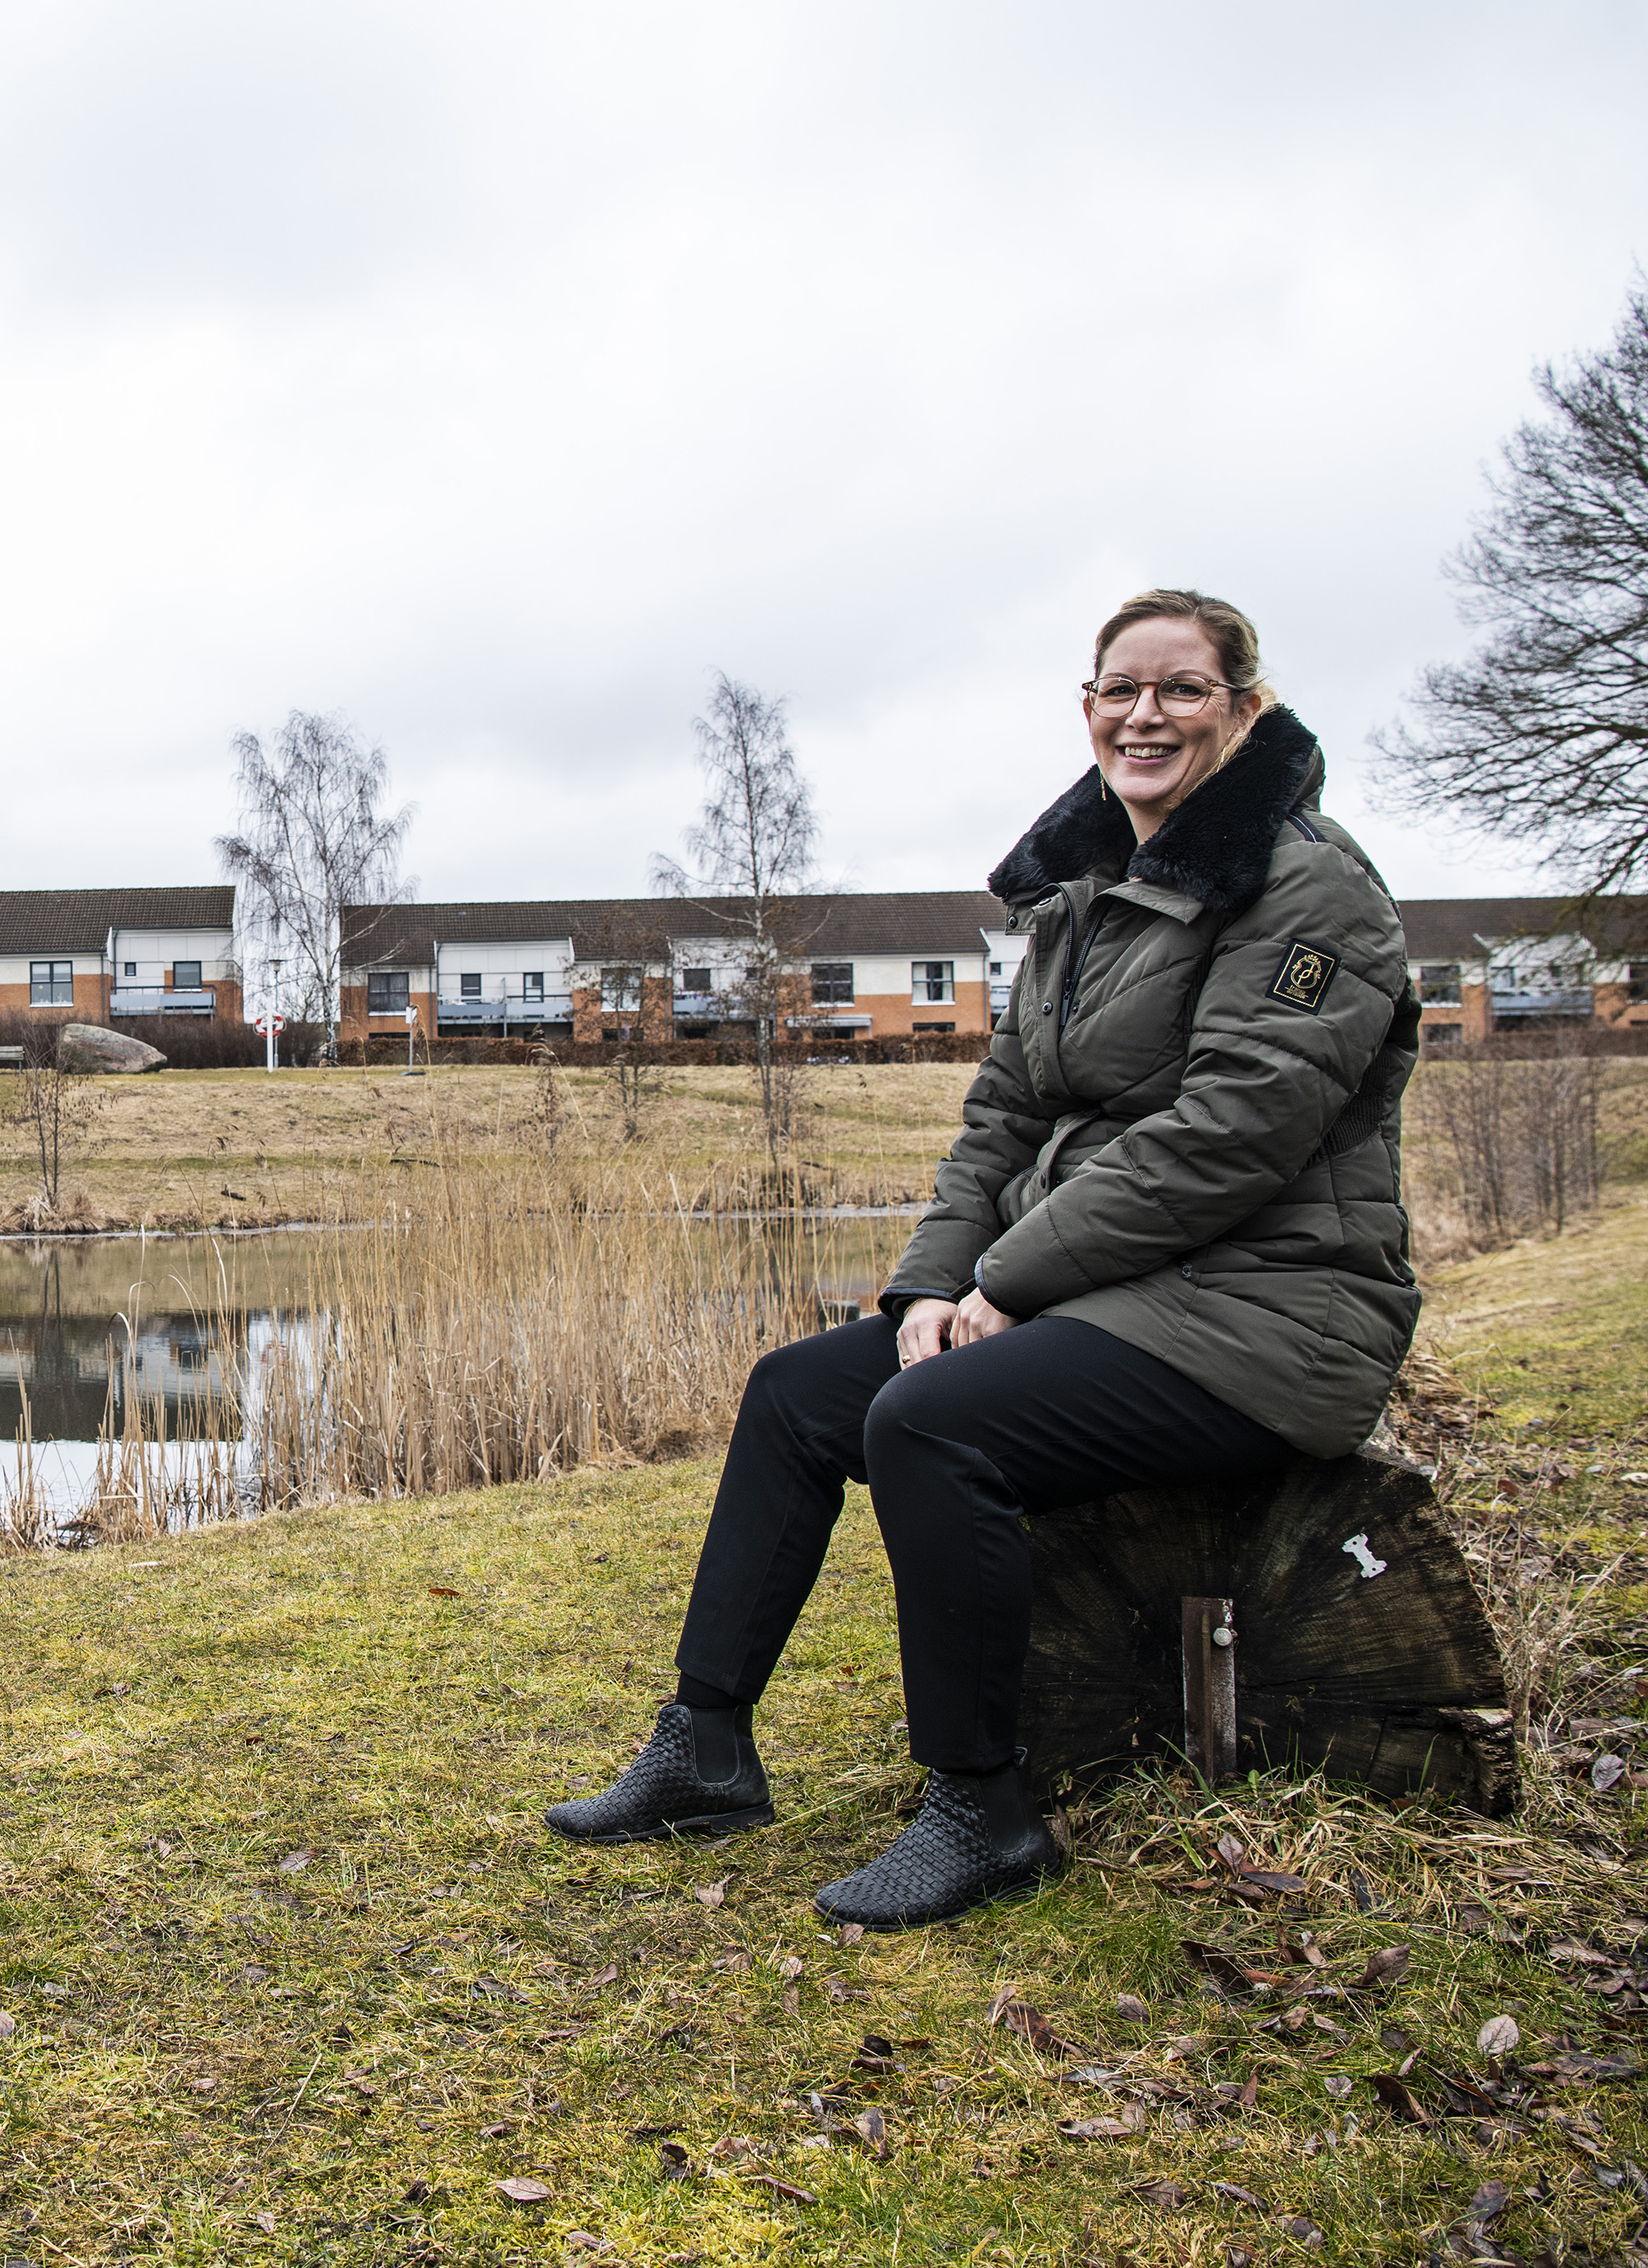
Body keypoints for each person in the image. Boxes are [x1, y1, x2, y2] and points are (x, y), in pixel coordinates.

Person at [545, 590, 1418, 1929]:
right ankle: (704, 1746)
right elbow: (1003, 1117)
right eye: (1119, 690)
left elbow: (1234, 1133)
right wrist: (931, 1288)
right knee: (797, 1394)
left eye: (1182, 689)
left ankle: (982, 1808)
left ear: (1245, 711)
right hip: (1119, 1293)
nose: (1145, 715)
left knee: (933, 1423)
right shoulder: (1086, 897)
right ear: (1088, 710)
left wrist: (1012, 1284)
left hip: (1269, 1315)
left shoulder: (1304, 885)